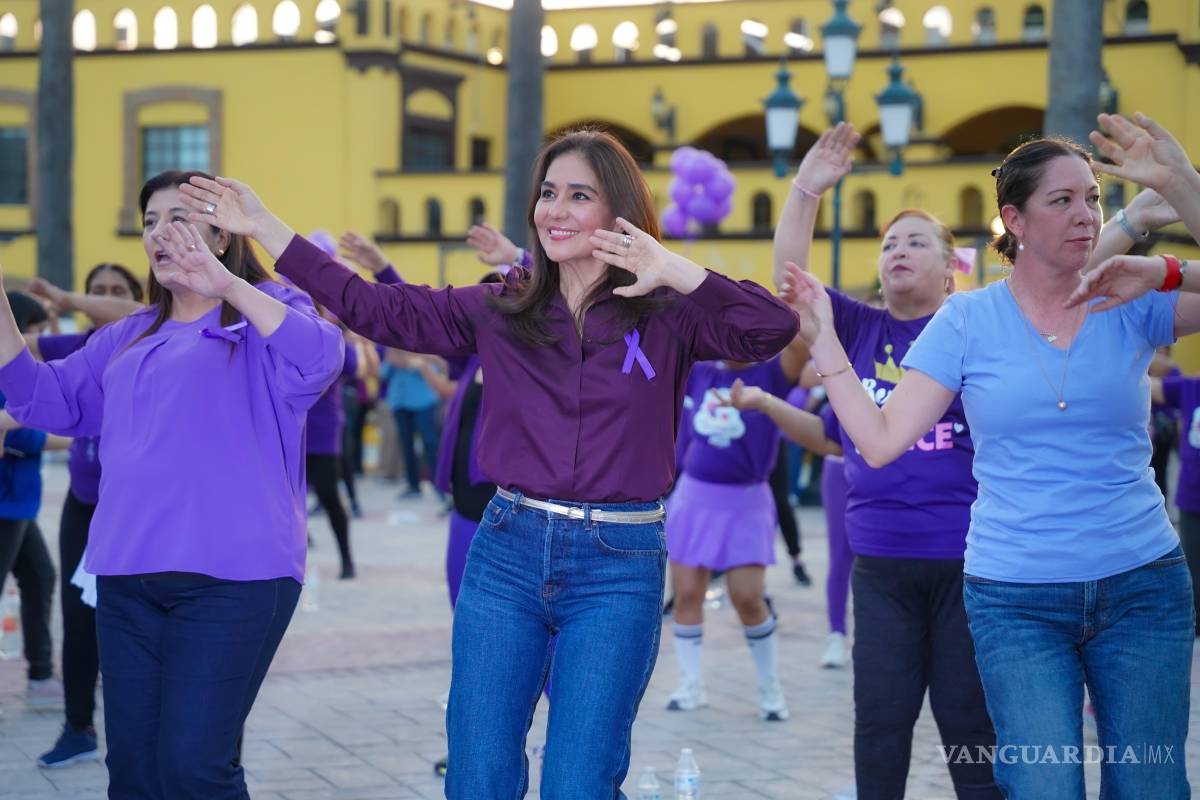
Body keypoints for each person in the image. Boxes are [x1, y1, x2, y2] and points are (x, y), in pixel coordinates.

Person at [174, 128, 799, 797]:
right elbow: (371, 308)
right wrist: (263, 225)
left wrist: (671, 266)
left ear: (618, 213)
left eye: (578, 195)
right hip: (507, 552)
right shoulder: (501, 305)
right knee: (479, 778)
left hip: (619, 564)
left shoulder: (670, 314)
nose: (553, 210)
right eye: (547, 193)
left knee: (580, 784)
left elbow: (772, 328)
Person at [789, 111, 1196, 798]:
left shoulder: (1130, 296)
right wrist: (825, 342)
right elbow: (882, 440)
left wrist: (1177, 214)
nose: (1086, 216)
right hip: (1016, 598)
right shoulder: (967, 320)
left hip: (1142, 588)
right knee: (1042, 787)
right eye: (1061, 201)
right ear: (1016, 220)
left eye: (1093, 199)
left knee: (1152, 786)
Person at [0, 169, 344, 798]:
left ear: (222, 234)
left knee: (193, 768)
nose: (159, 233)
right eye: (150, 222)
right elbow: (37, 398)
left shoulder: (264, 318)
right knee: (133, 773)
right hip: (129, 578)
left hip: (236, 581)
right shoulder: (125, 337)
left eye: (178, 218)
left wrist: (232, 288)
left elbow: (321, 357)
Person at [772, 123, 1000, 798]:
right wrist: (807, 188)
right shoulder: (859, 327)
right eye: (889, 243)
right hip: (880, 568)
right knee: (880, 724)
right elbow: (791, 279)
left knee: (969, 726)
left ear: (951, 263)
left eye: (916, 241)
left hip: (967, 566)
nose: (898, 249)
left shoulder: (975, 326)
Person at [31, 262, 146, 768]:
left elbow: (136, 313)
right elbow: (24, 357)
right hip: (83, 504)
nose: (103, 298)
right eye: (96, 289)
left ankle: (148, 736)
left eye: (114, 291)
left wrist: (68, 297)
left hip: (138, 513)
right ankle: (77, 727)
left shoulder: (149, 336)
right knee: (78, 621)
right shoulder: (81, 348)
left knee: (136, 626)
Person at [664, 343, 805, 722]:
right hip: (694, 494)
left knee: (747, 598)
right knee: (687, 593)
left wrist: (797, 292)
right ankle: (690, 683)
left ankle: (769, 684)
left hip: (746, 499)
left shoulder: (771, 373)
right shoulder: (699, 371)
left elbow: (801, 345)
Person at [0, 292, 70, 713]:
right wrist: (74, 435)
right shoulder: (7, 375)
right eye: (37, 330)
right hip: (6, 505)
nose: (41, 339)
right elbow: (27, 435)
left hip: (19, 504)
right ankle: (41, 674)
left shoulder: (22, 371)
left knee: (41, 578)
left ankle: (41, 674)